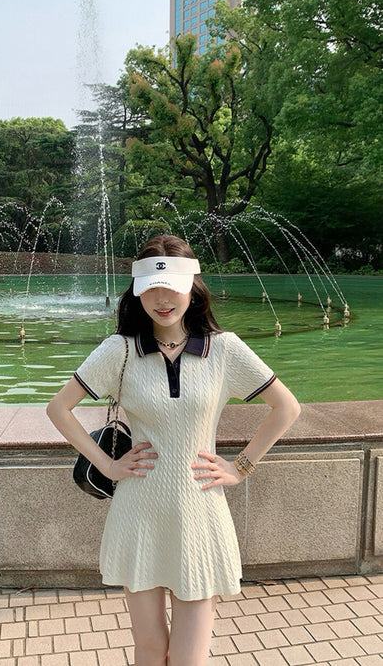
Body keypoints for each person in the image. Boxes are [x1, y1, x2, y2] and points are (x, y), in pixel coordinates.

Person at [46, 235, 300, 666]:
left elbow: (286, 407)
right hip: (139, 510)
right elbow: (59, 408)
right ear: (137, 291)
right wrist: (108, 464)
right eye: (151, 289)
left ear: (193, 288)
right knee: (149, 649)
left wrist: (240, 467)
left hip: (199, 512)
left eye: (173, 288)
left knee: (189, 657)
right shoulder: (120, 349)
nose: (162, 299)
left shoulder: (224, 348)